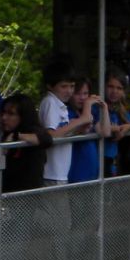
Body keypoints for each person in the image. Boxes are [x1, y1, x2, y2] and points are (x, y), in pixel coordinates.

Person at [38, 56, 92, 186]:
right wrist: (79, 121)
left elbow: (61, 132)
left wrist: (78, 130)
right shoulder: (50, 102)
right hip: (52, 174)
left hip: (59, 173)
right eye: (64, 86)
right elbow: (50, 135)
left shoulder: (60, 105)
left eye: (72, 86)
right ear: (50, 86)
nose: (69, 91)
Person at [0, 94, 53, 193]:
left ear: (23, 116)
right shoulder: (6, 134)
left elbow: (47, 139)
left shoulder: (32, 130)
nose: (4, 117)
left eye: (11, 114)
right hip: (6, 190)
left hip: (25, 195)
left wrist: (17, 136)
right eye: (3, 112)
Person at [66, 77, 108, 184]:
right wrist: (88, 105)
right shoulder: (67, 112)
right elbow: (85, 127)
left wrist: (104, 107)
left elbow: (105, 132)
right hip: (76, 173)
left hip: (92, 172)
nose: (82, 98)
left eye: (86, 94)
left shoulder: (90, 112)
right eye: (78, 94)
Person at [102, 69, 130, 177]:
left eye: (119, 88)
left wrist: (125, 128)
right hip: (100, 156)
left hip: (113, 157)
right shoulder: (97, 106)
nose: (114, 91)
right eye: (110, 86)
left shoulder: (118, 107)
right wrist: (114, 129)